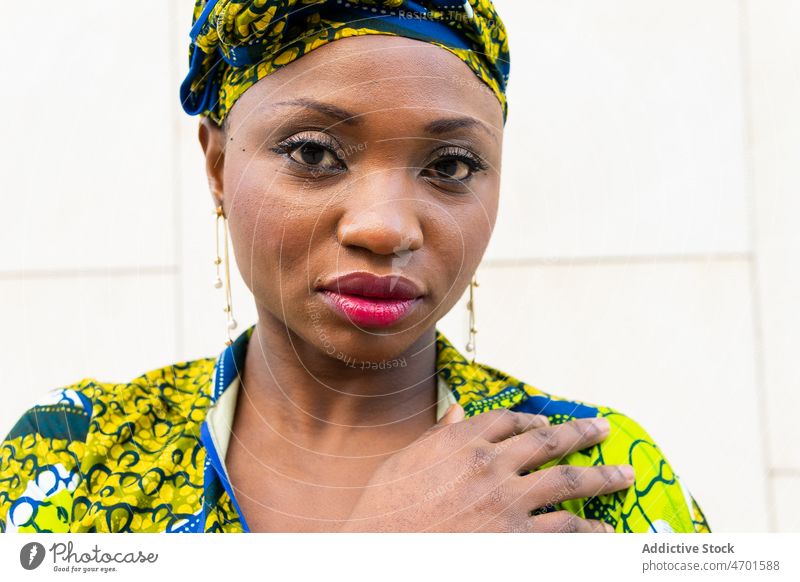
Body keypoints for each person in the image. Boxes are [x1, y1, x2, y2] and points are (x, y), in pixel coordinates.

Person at [0, 0, 710, 534]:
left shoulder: (593, 483)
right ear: (217, 165)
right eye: (313, 153)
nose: (386, 227)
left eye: (451, 164)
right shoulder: (70, 458)